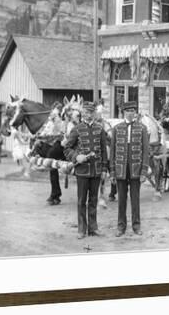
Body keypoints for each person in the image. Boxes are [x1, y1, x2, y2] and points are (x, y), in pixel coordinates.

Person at [63, 101, 108, 239]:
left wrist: (104, 169)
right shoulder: (77, 129)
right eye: (86, 112)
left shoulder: (100, 129)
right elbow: (66, 149)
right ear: (83, 113)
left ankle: (93, 228)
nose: (89, 115)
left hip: (96, 171)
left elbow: (103, 150)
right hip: (82, 171)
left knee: (93, 200)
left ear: (94, 113)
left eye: (91, 112)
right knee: (82, 200)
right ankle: (82, 229)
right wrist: (77, 156)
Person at [110, 101, 150, 237]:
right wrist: (113, 172)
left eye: (133, 111)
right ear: (123, 113)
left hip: (135, 170)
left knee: (135, 199)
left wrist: (144, 171)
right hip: (121, 170)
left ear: (135, 113)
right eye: (128, 111)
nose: (130, 113)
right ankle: (121, 227)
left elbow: (146, 151)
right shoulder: (116, 129)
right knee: (121, 199)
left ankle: (136, 226)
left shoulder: (142, 128)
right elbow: (113, 152)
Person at [36, 101, 65, 205]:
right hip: (52, 142)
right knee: (39, 148)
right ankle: (56, 193)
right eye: (54, 112)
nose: (54, 114)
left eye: (56, 112)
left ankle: (55, 193)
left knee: (50, 157)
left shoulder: (61, 121)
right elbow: (46, 131)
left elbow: (59, 132)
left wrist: (56, 121)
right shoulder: (50, 121)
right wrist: (40, 137)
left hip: (61, 143)